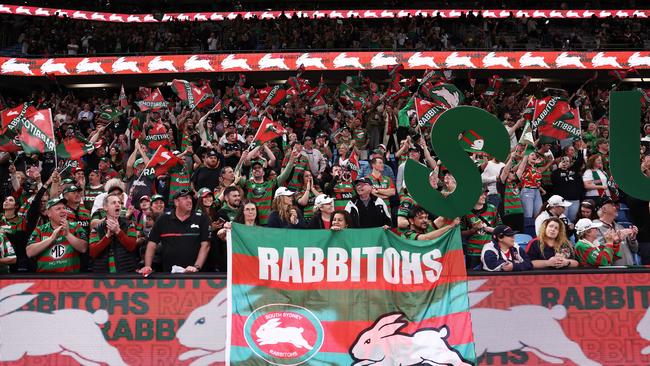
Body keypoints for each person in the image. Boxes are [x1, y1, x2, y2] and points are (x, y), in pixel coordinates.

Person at [139, 189, 210, 275]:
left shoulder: (202, 218)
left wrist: (196, 267)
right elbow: (151, 244)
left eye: (190, 198)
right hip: (169, 275)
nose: (189, 201)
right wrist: (147, 266)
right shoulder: (163, 219)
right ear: (176, 202)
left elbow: (206, 245)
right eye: (185, 198)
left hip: (195, 275)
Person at [26, 197, 88, 273]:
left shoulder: (75, 226)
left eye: (64, 208)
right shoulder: (39, 230)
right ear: (49, 213)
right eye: (58, 209)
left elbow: (83, 248)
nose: (63, 211)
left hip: (70, 278)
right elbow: (29, 252)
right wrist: (51, 238)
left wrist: (68, 234)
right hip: (44, 278)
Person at [88, 194, 138, 273]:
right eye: (113, 203)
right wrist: (107, 236)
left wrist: (118, 231)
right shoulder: (96, 229)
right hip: (103, 275)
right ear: (105, 207)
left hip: (126, 273)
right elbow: (92, 252)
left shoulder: (129, 225)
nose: (118, 204)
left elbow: (132, 247)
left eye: (119, 202)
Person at [461, 188, 501, 269]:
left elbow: (501, 228)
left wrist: (492, 230)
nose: (484, 196)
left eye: (484, 194)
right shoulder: (466, 212)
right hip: (473, 252)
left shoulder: (492, 209)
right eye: (481, 194)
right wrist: (473, 230)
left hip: (490, 251)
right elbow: (461, 233)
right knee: (473, 279)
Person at [594, 197, 639, 266]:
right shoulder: (595, 227)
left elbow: (635, 249)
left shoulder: (620, 227)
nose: (617, 207)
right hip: (612, 272)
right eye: (613, 205)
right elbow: (599, 251)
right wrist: (617, 239)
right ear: (604, 209)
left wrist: (632, 239)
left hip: (628, 270)